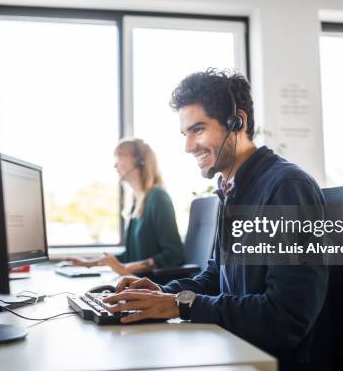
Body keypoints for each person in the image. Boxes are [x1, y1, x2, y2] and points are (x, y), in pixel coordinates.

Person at [103, 69, 330, 370]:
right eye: (185, 134)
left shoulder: (287, 188)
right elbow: (215, 278)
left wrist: (179, 305)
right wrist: (164, 293)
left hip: (266, 361)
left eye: (198, 129)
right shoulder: (231, 190)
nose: (187, 147)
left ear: (238, 122)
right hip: (232, 348)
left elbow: (285, 317)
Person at [66, 138, 185, 275]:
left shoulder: (157, 197)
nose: (115, 165)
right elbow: (131, 256)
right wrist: (88, 264)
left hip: (154, 286)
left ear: (139, 161)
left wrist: (127, 269)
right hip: (135, 283)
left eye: (120, 158)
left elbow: (174, 254)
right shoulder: (137, 202)